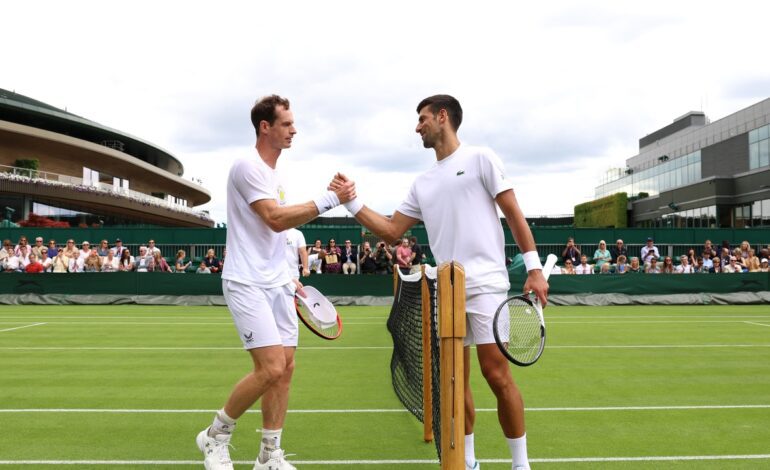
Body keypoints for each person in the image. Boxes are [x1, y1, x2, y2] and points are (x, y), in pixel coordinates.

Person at [330, 94, 548, 470]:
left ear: (442, 117)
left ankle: (520, 465)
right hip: (446, 291)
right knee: (453, 382)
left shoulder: (482, 158)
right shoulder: (422, 183)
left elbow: (513, 212)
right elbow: (392, 231)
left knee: (496, 375)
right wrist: (350, 202)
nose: (418, 127)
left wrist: (534, 268)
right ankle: (467, 461)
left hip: (487, 287)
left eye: (422, 119)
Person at [196, 94, 355, 470]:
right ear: (265, 127)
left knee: (285, 368)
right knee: (269, 368)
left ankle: (269, 456)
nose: (294, 130)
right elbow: (275, 219)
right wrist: (330, 198)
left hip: (277, 283)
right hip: (246, 282)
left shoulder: (273, 175)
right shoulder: (246, 166)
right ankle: (215, 437)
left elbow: (275, 236)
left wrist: (290, 279)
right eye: (286, 124)